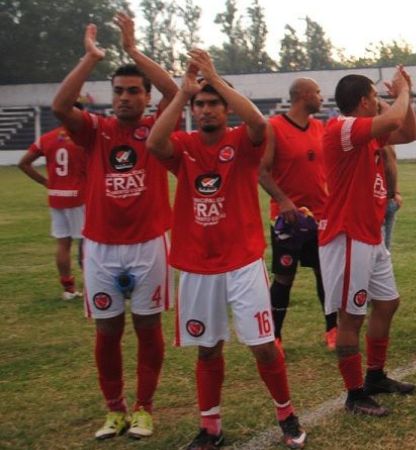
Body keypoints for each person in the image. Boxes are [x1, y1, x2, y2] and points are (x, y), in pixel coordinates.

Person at [146, 49, 306, 450]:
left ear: (225, 107)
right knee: (207, 349)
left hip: (242, 262)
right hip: (197, 266)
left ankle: (286, 414)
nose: (205, 110)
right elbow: (154, 142)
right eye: (200, 105)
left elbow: (257, 122)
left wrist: (214, 78)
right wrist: (183, 93)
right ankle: (210, 427)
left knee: (263, 346)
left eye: (213, 103)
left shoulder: (241, 142)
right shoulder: (183, 146)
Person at [51, 13, 177, 439]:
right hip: (101, 246)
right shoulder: (96, 131)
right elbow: (60, 106)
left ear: (146, 97)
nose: (125, 98)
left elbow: (173, 91)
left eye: (133, 91)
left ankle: (144, 408)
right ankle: (115, 409)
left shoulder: (156, 129)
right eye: (118, 91)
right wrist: (91, 58)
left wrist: (133, 50)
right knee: (107, 330)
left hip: (149, 243)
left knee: (147, 327)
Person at [319, 67, 416, 417]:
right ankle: (354, 394)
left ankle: (375, 376)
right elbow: (394, 119)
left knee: (387, 303)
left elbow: (407, 131)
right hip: (347, 236)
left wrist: (402, 97)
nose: (379, 102)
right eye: (375, 97)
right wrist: (401, 93)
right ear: (363, 102)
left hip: (369, 235)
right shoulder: (343, 127)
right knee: (351, 317)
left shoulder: (366, 133)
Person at [259, 77, 337, 350]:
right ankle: (275, 335)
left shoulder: (319, 127)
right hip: (288, 219)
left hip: (320, 216)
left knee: (324, 272)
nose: (321, 97)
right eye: (317, 92)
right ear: (304, 95)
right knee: (284, 277)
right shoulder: (274, 127)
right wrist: (283, 200)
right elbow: (261, 170)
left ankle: (332, 330)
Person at [18, 119, 87, 300]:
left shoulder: (47, 138)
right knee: (86, 243)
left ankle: (68, 289)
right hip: (79, 196)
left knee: (63, 244)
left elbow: (23, 163)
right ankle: (92, 286)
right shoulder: (83, 138)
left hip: (56, 196)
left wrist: (45, 182)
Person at [381, 144, 402, 250]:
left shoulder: (387, 141)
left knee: (384, 248)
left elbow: (391, 164)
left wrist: (396, 192)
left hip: (389, 199)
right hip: (376, 201)